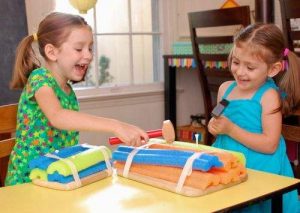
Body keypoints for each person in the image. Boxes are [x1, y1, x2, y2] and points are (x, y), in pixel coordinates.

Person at [5, 12, 149, 186]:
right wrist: (115, 125)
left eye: (90, 48)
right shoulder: (39, 79)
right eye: (79, 49)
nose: (88, 55)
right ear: (51, 52)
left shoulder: (68, 92)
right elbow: (57, 116)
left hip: (56, 177)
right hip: (28, 180)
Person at [208, 23, 300, 212]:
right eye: (236, 62)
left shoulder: (269, 97)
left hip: (260, 170)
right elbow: (217, 114)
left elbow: (269, 144)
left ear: (272, 69)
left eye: (250, 67)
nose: (240, 72)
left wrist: (231, 129)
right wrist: (213, 124)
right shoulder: (225, 89)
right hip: (229, 164)